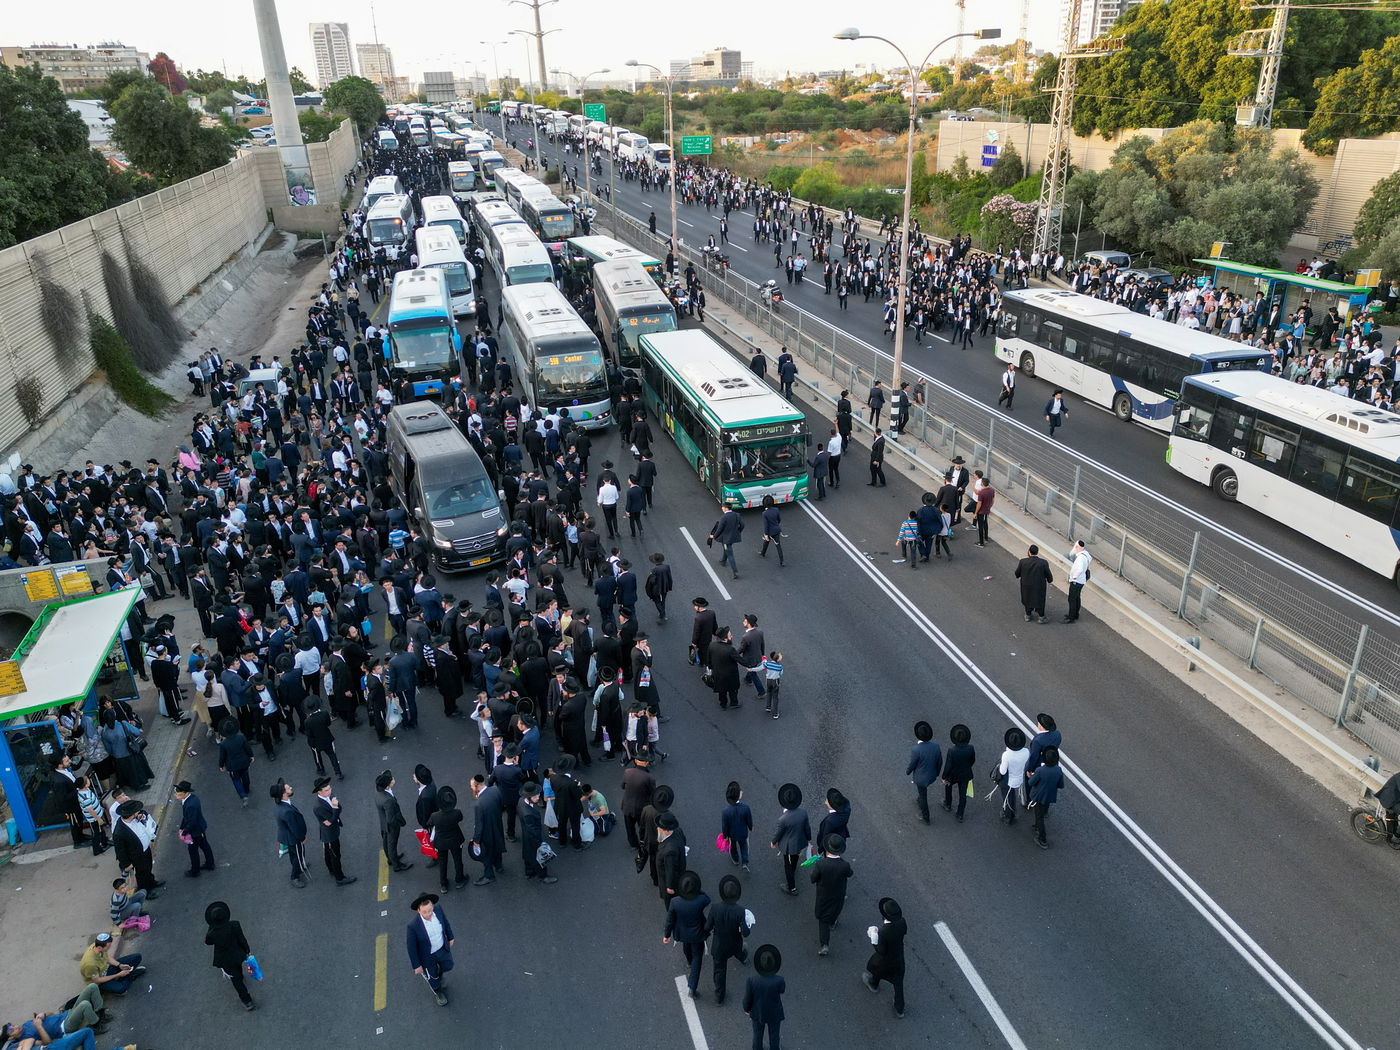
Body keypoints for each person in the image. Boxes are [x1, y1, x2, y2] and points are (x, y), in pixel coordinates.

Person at [664, 871, 712, 999]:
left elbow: (669, 920)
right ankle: (692, 987)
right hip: (697, 933)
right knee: (698, 957)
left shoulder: (675, 902)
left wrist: (666, 935)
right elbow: (707, 898)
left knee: (686, 947)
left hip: (682, 932)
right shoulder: (700, 900)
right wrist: (698, 890)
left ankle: (689, 961)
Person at [706, 873, 752, 1004]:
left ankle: (719, 997)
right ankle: (743, 958)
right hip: (734, 943)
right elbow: (745, 933)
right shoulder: (740, 911)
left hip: (719, 946)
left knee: (719, 971)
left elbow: (707, 927)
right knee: (738, 951)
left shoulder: (715, 908)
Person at [203, 900, 255, 1010]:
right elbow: (242, 939)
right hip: (237, 953)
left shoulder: (212, 934)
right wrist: (247, 950)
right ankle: (240, 976)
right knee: (238, 967)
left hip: (225, 959)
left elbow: (208, 942)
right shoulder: (235, 925)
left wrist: (212, 926)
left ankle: (247, 1001)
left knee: (236, 981)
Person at [405, 892, 454, 1007]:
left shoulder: (438, 909)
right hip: (428, 956)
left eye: (430, 910)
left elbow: (445, 923)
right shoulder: (413, 926)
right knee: (432, 976)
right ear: (418, 911)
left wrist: (450, 937)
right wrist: (417, 965)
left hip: (442, 948)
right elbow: (411, 947)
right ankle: (438, 992)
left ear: (433, 906)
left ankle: (439, 976)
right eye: (425, 912)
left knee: (448, 965)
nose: (428, 914)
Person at [863, 897, 907, 1018]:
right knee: (898, 983)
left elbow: (881, 950)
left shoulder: (884, 932)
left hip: (886, 960)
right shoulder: (902, 922)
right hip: (898, 958)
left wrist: (873, 937)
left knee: (878, 969)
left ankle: (873, 984)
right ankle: (899, 1009)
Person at [810, 833, 853, 956]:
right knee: (835, 910)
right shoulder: (845, 865)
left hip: (824, 895)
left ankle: (824, 944)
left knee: (823, 919)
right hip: (838, 894)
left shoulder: (821, 864)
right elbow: (850, 874)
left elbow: (813, 879)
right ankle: (833, 922)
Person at [312, 776, 357, 886]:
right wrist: (335, 807)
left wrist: (335, 810)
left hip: (329, 830)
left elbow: (338, 810)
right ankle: (339, 878)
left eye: (330, 788)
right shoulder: (319, 806)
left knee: (328, 851)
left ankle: (331, 869)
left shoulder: (329, 796)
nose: (330, 791)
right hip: (329, 834)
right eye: (326, 790)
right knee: (335, 855)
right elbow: (332, 818)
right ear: (319, 792)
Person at [771, 782, 811, 897]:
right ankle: (794, 866)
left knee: (787, 866)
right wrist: (809, 839)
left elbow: (779, 833)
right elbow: (807, 828)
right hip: (800, 841)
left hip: (789, 847)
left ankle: (791, 887)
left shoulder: (783, 819)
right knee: (795, 858)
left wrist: (773, 842)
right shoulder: (803, 813)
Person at [743, 943, 786, 1050]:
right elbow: (782, 990)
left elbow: (748, 998)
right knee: (774, 1035)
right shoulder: (779, 980)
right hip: (774, 1012)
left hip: (758, 1011)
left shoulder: (752, 980)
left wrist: (747, 1009)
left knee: (757, 1035)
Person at [271, 778, 310, 888]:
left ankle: (299, 866)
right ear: (283, 794)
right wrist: (302, 838)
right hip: (294, 838)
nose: (291, 788)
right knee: (298, 855)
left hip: (287, 836)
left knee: (294, 854)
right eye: (288, 788)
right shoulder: (287, 811)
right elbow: (294, 828)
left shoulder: (280, 806)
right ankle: (295, 876)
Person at [78, 932, 145, 995]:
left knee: (137, 957)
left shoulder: (97, 946)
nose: (110, 947)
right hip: (101, 981)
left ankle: (124, 975)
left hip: (107, 969)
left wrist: (119, 965)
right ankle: (129, 976)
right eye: (108, 946)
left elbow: (107, 957)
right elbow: (97, 980)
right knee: (121, 989)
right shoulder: (90, 964)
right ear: (100, 948)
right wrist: (118, 975)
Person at [429, 785, 468, 891]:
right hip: (455, 840)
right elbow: (460, 818)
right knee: (457, 860)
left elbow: (429, 823)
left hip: (440, 842)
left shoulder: (434, 816)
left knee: (442, 862)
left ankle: (443, 884)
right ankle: (459, 880)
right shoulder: (457, 813)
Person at [174, 781, 216, 877]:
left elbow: (191, 821)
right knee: (204, 846)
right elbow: (187, 817)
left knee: (193, 851)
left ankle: (195, 871)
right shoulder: (192, 798)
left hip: (195, 831)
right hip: (199, 828)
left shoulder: (190, 805)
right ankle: (210, 864)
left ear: (185, 793)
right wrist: (181, 827)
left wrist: (183, 833)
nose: (176, 796)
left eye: (178, 794)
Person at [1027, 744, 1066, 849]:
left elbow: (1031, 783)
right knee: (1043, 811)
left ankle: (1042, 839)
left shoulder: (1040, 770)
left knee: (1039, 817)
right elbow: (1061, 785)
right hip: (1050, 795)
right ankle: (1041, 819)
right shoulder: (1058, 770)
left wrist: (1030, 776)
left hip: (1039, 796)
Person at [519, 780, 557, 884]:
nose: (538, 797)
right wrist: (539, 843)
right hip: (533, 836)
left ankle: (529, 872)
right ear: (528, 797)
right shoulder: (528, 813)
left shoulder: (521, 801)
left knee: (528, 853)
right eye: (535, 796)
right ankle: (543, 876)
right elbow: (532, 831)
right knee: (539, 856)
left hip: (526, 834)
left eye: (538, 794)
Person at [376, 770, 414, 872]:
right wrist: (398, 823)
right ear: (388, 786)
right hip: (391, 826)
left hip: (383, 822)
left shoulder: (379, 791)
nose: (393, 779)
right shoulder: (388, 800)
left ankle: (390, 859)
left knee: (386, 842)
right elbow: (391, 819)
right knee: (392, 845)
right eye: (391, 779)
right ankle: (397, 866)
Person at [906, 720, 942, 825]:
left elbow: (913, 764)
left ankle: (926, 817)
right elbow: (940, 761)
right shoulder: (936, 746)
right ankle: (919, 799)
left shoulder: (916, 749)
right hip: (931, 775)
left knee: (923, 796)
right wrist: (937, 773)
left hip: (921, 778)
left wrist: (908, 771)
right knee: (922, 792)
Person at [942, 724, 975, 822]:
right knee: (963, 794)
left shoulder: (952, 751)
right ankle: (960, 814)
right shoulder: (970, 748)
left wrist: (944, 776)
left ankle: (948, 804)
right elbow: (972, 760)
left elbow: (948, 766)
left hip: (953, 774)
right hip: (965, 774)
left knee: (948, 787)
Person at [997, 728, 1030, 825]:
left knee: (1007, 797)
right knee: (1012, 796)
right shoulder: (1026, 752)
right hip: (1019, 778)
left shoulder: (1006, 755)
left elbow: (1002, 771)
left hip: (1008, 780)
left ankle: (1008, 816)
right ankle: (1013, 811)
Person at [1015, 545, 1053, 623]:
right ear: (1037, 552)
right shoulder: (1043, 562)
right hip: (1039, 586)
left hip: (1026, 586)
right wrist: (1049, 580)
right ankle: (1041, 617)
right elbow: (1049, 576)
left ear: (1029, 552)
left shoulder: (1023, 562)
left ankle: (1028, 615)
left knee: (1027, 599)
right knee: (1040, 600)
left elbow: (1017, 574)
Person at [721, 780, 753, 870]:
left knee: (733, 847)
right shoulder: (746, 808)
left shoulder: (725, 811)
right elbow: (749, 820)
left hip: (732, 834)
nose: (742, 792)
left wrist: (725, 836)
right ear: (738, 795)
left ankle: (736, 860)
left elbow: (725, 825)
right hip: (743, 833)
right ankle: (745, 862)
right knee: (744, 846)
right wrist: (750, 827)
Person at [708, 500, 744, 580]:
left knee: (730, 554)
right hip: (733, 537)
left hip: (726, 539)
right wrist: (737, 532)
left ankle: (735, 571)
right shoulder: (737, 515)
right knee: (726, 548)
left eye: (722, 507)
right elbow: (742, 525)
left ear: (726, 508)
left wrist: (713, 536)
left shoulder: (724, 517)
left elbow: (719, 529)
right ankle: (723, 561)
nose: (722, 508)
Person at [1064, 540, 1091, 623]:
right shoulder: (1086, 555)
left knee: (1071, 599)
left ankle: (1071, 617)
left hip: (1076, 581)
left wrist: (1074, 577)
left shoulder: (1080, 558)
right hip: (1081, 581)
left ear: (1077, 547)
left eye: (1076, 546)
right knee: (1077, 597)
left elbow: (1079, 569)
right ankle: (1076, 614)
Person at [758, 495, 784, 566]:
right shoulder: (776, 510)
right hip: (777, 530)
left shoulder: (764, 513)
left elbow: (766, 525)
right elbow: (779, 519)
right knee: (778, 545)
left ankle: (763, 553)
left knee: (766, 541)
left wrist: (766, 534)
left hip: (770, 532)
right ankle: (782, 560)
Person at [972, 473, 994, 547]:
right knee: (985, 524)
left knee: (980, 526)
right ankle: (986, 538)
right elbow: (993, 500)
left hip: (981, 512)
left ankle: (981, 542)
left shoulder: (981, 493)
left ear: (982, 484)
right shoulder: (992, 490)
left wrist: (975, 512)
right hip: (987, 510)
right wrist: (989, 507)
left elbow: (979, 504)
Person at [763, 651, 784, 719]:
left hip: (768, 681)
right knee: (775, 697)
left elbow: (764, 664)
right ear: (777, 659)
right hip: (775, 682)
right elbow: (781, 674)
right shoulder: (779, 666)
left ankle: (768, 707)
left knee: (769, 693)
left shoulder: (768, 664)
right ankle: (775, 713)